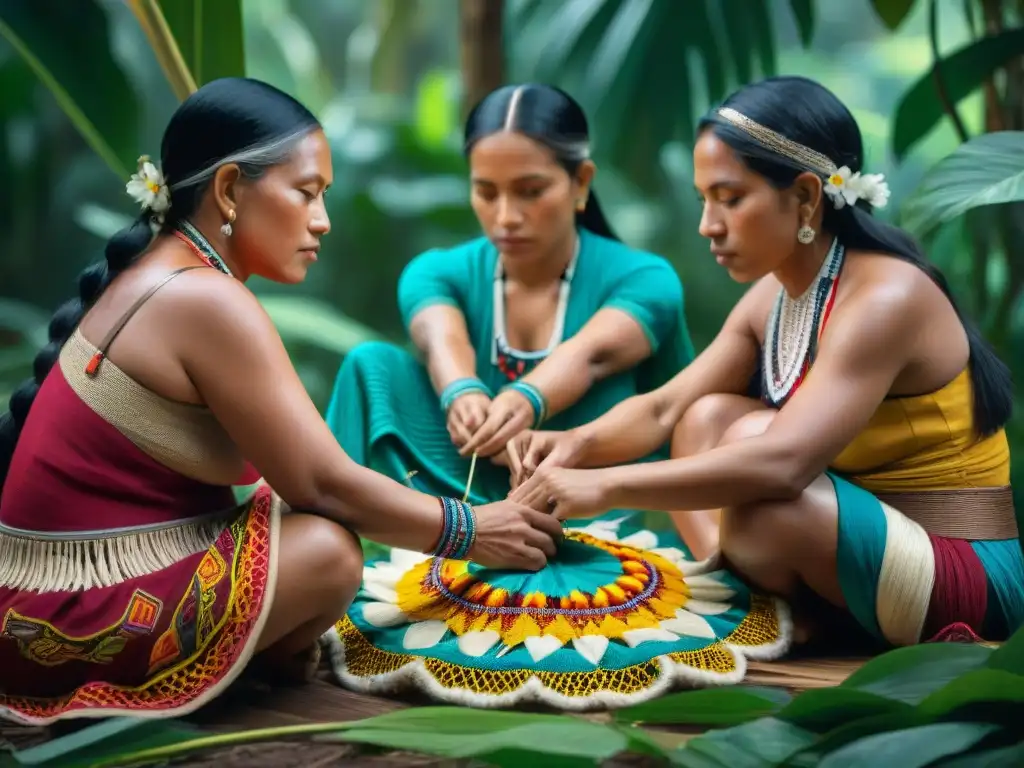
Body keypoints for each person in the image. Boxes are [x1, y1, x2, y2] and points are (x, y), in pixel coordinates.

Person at [0, 77, 562, 726]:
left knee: (298, 515)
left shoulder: (169, 271)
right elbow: (323, 484)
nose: (322, 219)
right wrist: (472, 529)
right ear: (232, 189)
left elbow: (294, 471)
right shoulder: (202, 297)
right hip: (54, 621)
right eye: (307, 193)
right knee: (327, 552)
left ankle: (253, 657)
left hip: (40, 602)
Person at [506, 75, 1024, 650]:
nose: (709, 224)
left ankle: (777, 612)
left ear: (805, 197)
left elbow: (784, 465)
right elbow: (664, 410)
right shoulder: (776, 296)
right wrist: (573, 444)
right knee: (706, 419)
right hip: (851, 540)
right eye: (706, 200)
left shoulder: (886, 299)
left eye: (729, 199)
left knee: (760, 492)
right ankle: (764, 611)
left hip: (960, 574)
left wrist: (603, 487)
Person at [322, 84, 792, 712]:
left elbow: (592, 353)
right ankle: (397, 545)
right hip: (470, 491)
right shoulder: (438, 269)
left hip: (600, 497)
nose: (505, 216)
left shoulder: (643, 277)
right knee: (370, 367)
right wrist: (461, 391)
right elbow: (440, 337)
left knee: (618, 398)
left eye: (530, 190)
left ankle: (563, 555)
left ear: (580, 182)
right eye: (486, 192)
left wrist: (526, 400)